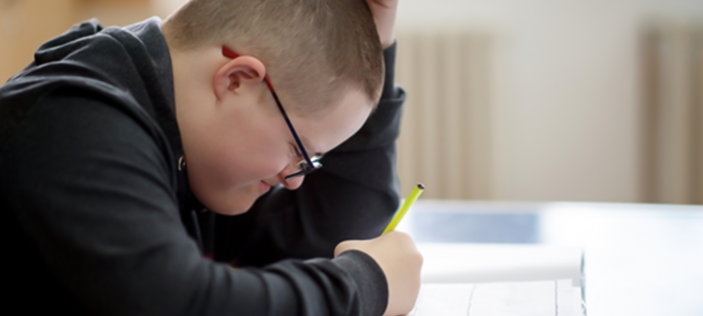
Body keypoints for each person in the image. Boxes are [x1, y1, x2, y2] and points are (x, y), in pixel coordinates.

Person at [0, 0, 422, 315]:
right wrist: (365, 285)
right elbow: (180, 304)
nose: (294, 179)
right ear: (236, 80)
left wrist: (375, 44)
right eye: (298, 151)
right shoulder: (73, 118)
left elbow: (328, 234)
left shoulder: (185, 139)